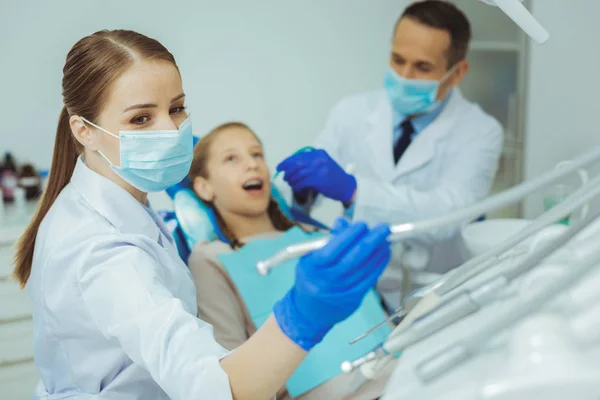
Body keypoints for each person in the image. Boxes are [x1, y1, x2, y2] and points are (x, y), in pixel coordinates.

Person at [12, 29, 391, 400]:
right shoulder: (101, 253)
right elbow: (214, 389)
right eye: (141, 119)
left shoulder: (116, 200)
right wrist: (303, 316)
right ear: (84, 131)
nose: (172, 130)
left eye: (176, 108)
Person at [276, 0, 504, 301]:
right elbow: (316, 179)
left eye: (422, 67)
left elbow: (449, 215)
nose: (404, 76)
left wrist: (355, 191)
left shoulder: (481, 131)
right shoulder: (352, 111)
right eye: (397, 60)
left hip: (434, 293)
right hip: (358, 288)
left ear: (458, 72)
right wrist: (306, 189)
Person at [186, 121, 396, 400]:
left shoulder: (318, 234)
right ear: (204, 187)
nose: (252, 165)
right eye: (231, 158)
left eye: (257, 154)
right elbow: (232, 376)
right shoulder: (210, 259)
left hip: (404, 373)